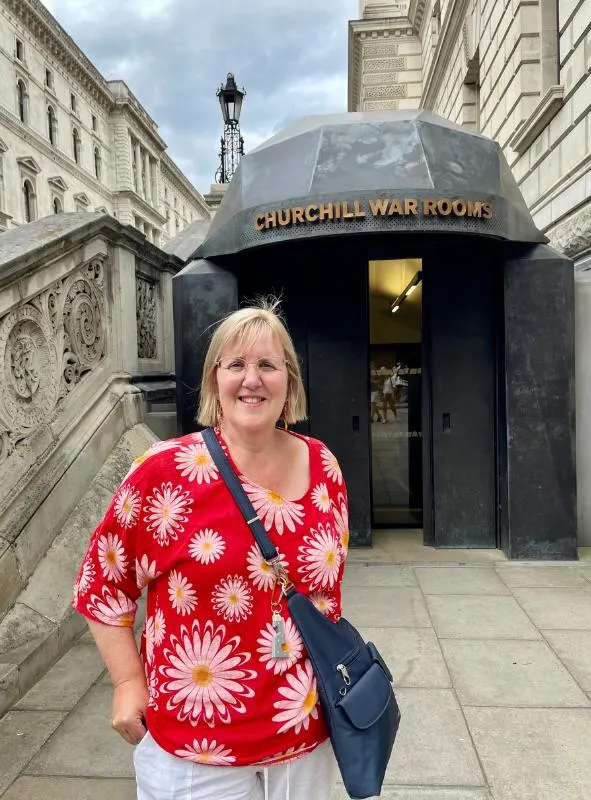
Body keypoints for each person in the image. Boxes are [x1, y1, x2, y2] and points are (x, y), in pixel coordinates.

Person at [72, 298, 349, 800]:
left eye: (268, 364)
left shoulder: (323, 464)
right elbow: (102, 584)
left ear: (289, 382)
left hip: (304, 738)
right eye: (236, 364)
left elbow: (325, 600)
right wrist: (127, 682)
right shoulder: (164, 472)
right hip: (196, 750)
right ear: (213, 381)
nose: (252, 378)